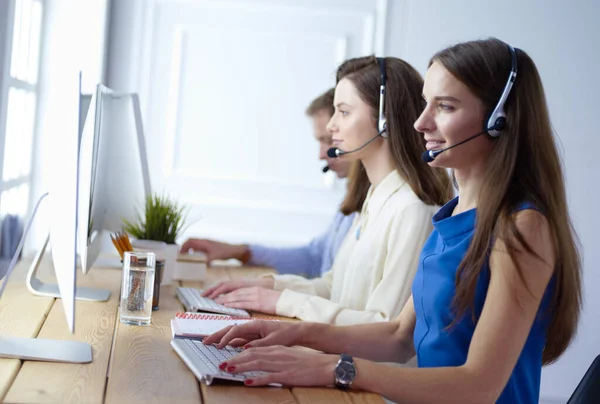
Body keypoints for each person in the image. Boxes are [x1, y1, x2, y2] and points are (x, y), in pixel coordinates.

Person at [203, 38, 583, 404]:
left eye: (445, 107)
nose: (420, 123)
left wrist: (333, 368)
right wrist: (290, 332)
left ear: (500, 119)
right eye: (424, 105)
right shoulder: (450, 217)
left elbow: (478, 386)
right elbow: (400, 336)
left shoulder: (522, 226)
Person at [202, 56, 452, 326]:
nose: (332, 125)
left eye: (343, 112)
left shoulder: (411, 210)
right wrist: (269, 286)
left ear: (384, 120)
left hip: (361, 366)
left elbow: (385, 326)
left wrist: (282, 301)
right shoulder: (376, 198)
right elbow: (335, 287)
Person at [180, 88, 357, 279]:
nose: (321, 154)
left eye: (329, 141)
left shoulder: (377, 206)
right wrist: (240, 252)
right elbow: (314, 258)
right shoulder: (350, 200)